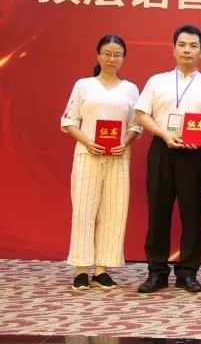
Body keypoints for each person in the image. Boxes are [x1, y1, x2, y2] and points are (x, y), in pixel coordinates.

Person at [134, 24, 201, 293]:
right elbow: (141, 114)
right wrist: (163, 133)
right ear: (173, 49)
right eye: (182, 45)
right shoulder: (156, 81)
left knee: (191, 214)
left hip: (194, 153)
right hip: (162, 149)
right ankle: (156, 272)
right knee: (158, 212)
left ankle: (188, 272)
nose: (187, 50)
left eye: (193, 46)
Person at [61, 35, 141, 290]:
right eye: (107, 53)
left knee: (114, 211)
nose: (111, 59)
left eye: (117, 55)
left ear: (123, 59)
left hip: (118, 157)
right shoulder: (84, 85)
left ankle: (102, 270)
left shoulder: (130, 89)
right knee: (83, 210)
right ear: (98, 56)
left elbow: (136, 125)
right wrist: (87, 142)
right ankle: (81, 269)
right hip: (88, 155)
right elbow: (69, 121)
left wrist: (125, 142)